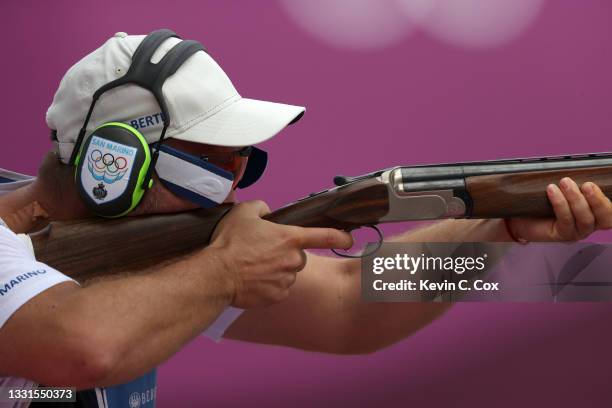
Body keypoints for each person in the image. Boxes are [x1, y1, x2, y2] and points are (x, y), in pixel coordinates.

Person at [1, 30, 610, 407]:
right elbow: (81, 351)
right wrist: (224, 270)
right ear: (113, 161)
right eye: (210, 168)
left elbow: (352, 310)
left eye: (246, 164)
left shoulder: (179, 255)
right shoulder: (205, 264)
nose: (231, 191)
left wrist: (495, 230)